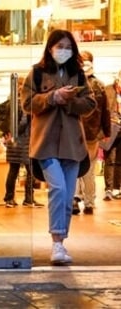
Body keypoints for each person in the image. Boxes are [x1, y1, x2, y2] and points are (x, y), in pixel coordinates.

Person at [20, 29, 96, 265]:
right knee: (58, 190)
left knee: (66, 195)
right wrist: (53, 97)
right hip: (45, 143)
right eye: (59, 46)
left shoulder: (78, 74)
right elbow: (26, 104)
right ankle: (56, 242)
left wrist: (71, 100)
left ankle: (60, 243)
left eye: (68, 46)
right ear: (50, 47)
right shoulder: (37, 73)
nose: (63, 50)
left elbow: (90, 103)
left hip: (73, 145)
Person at [72, 51, 111, 215]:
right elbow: (106, 111)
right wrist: (106, 131)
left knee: (73, 168)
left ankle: (74, 199)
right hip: (92, 134)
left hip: (73, 134)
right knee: (89, 169)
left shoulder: (72, 83)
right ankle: (89, 202)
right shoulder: (100, 85)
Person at [0, 79, 44, 208]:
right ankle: (28, 198)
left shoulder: (8, 103)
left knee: (14, 170)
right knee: (30, 170)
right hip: (24, 141)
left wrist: (9, 133)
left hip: (13, 141)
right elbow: (22, 123)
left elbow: (2, 121)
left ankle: (9, 198)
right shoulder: (22, 103)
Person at [102, 73, 121, 201]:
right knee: (110, 159)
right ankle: (108, 189)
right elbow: (104, 109)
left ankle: (117, 188)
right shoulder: (108, 89)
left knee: (120, 160)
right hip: (111, 128)